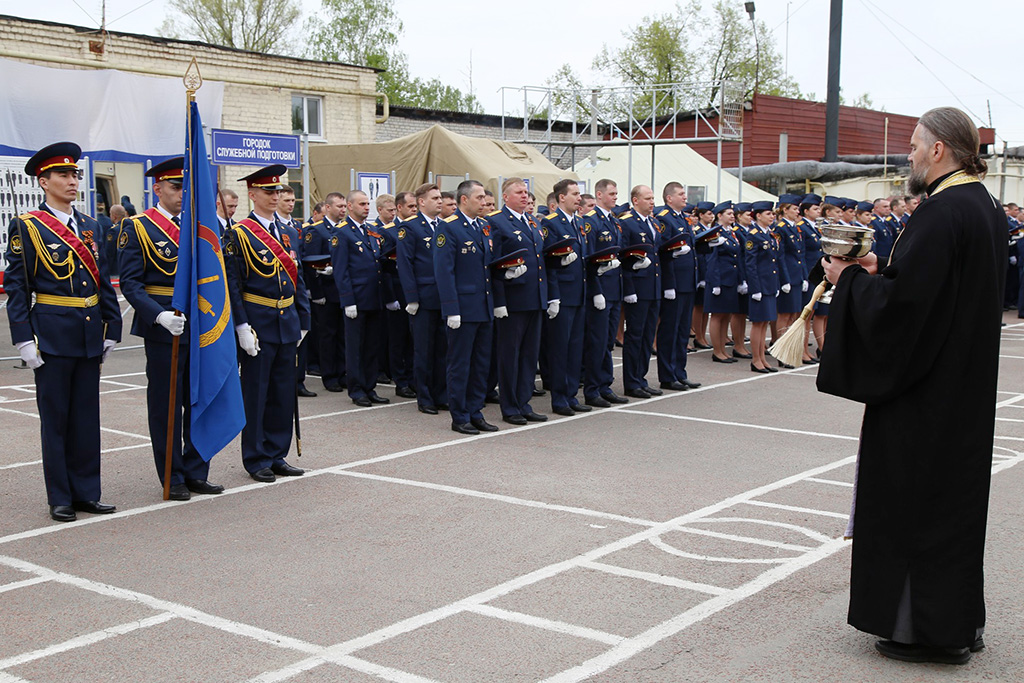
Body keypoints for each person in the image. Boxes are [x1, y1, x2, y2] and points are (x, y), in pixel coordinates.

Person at [818, 107, 1005, 665]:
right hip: (964, 387)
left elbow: (905, 313)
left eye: (916, 145)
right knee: (954, 509)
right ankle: (957, 621)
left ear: (941, 150)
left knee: (915, 506)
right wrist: (880, 267)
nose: (910, 155)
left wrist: (848, 279)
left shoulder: (941, 212)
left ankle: (923, 630)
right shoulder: (986, 208)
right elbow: (932, 289)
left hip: (926, 394)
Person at [4, 142, 122, 522]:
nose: (72, 181)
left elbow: (102, 280)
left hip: (88, 332)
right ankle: (60, 496)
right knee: (56, 419)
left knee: (87, 418)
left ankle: (87, 491)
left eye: (75, 175)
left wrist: (112, 326)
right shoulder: (26, 225)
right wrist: (23, 338)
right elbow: (18, 285)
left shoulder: (90, 225)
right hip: (52, 333)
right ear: (44, 181)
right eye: (64, 175)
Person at [117, 157, 224, 501]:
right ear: (158, 188)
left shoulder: (199, 225)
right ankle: (171, 474)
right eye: (175, 187)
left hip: (201, 324)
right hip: (166, 326)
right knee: (166, 405)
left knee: (199, 399)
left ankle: (196, 470)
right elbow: (131, 284)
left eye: (186, 187)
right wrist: (157, 315)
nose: (182, 194)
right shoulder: (138, 227)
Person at [222, 164, 309, 483]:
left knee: (283, 392)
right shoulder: (238, 233)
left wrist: (303, 319)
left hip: (287, 321)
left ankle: (277, 452)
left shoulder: (287, 233)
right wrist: (241, 326)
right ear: (253, 194)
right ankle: (255, 456)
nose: (275, 197)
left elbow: (298, 280)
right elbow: (234, 286)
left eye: (278, 191)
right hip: (258, 323)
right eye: (269, 192)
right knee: (256, 393)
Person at [433, 180, 497, 435]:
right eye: (479, 198)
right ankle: (459, 415)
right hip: (462, 307)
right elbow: (444, 272)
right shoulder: (448, 228)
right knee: (460, 364)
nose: (484, 202)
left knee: (481, 363)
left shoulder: (483, 226)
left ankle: (475, 411)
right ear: (464, 200)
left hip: (483, 305)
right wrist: (451, 309)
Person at [488, 177, 548, 425]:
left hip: (534, 297)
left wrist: (547, 296)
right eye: (519, 192)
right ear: (505, 196)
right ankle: (510, 406)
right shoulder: (496, 222)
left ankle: (524, 402)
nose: (525, 196)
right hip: (512, 300)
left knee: (528, 355)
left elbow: (539, 260)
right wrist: (499, 300)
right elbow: (493, 264)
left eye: (526, 192)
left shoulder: (532, 221)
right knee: (509, 355)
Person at [333, 190, 389, 407]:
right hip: (356, 299)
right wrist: (348, 300)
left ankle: (369, 386)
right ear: (349, 206)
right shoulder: (342, 233)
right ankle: (356, 389)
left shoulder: (372, 230)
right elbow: (341, 270)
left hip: (374, 297)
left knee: (372, 345)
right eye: (362, 204)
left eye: (368, 204)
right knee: (355, 347)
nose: (367, 207)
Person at [397, 183, 449, 414]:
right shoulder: (410, 228)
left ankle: (441, 394)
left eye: (440, 198)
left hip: (443, 297)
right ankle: (425, 397)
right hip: (423, 297)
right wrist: (412, 298)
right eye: (435, 198)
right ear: (421, 202)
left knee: (443, 349)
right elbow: (405, 265)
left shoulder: (445, 226)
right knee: (424, 350)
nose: (440, 201)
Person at [583, 179, 630, 406]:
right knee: (597, 342)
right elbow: (589, 260)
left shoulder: (613, 221)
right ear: (599, 195)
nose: (615, 197)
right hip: (600, 291)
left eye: (616, 193)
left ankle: (605, 384)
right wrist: (596, 291)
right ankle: (592, 389)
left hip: (614, 290)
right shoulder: (591, 221)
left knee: (608, 342)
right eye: (611, 193)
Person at [654, 183, 702, 389]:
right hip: (674, 284)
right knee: (670, 331)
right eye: (681, 194)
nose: (685, 197)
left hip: (687, 282)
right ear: (669, 198)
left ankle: (680, 371)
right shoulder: (665, 218)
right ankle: (667, 375)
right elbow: (665, 254)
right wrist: (669, 284)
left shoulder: (683, 217)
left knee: (683, 331)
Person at [619, 185, 664, 399]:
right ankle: (631, 382)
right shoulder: (627, 224)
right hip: (637, 288)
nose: (652, 202)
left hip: (653, 287)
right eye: (648, 198)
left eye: (653, 198)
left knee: (647, 336)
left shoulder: (654, 223)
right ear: (635, 200)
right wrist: (629, 289)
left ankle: (641, 378)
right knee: (635, 336)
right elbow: (624, 258)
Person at [304, 192, 347, 392]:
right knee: (328, 335)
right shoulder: (318, 231)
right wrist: (317, 292)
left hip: (343, 290)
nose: (343, 210)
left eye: (345, 206)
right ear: (328, 208)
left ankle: (342, 372)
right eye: (339, 206)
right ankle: (329, 375)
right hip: (326, 291)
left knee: (343, 335)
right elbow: (310, 263)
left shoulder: (344, 230)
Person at [744, 201, 786, 373]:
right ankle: (756, 360)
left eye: (773, 214)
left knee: (765, 323)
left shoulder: (770, 234)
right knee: (758, 323)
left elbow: (773, 262)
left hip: (769, 284)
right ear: (758, 216)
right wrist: (755, 289)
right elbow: (750, 265)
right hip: (759, 286)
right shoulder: (753, 235)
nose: (772, 217)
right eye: (768, 214)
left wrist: (775, 284)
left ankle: (762, 357)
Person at [705, 201, 744, 364]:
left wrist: (741, 280)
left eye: (732, 213)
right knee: (717, 316)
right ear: (719, 216)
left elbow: (738, 257)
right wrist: (715, 283)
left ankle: (723, 349)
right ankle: (717, 351)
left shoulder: (731, 232)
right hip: (719, 280)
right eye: (728, 213)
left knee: (726, 315)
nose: (732, 216)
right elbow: (711, 259)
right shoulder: (715, 233)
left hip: (730, 280)